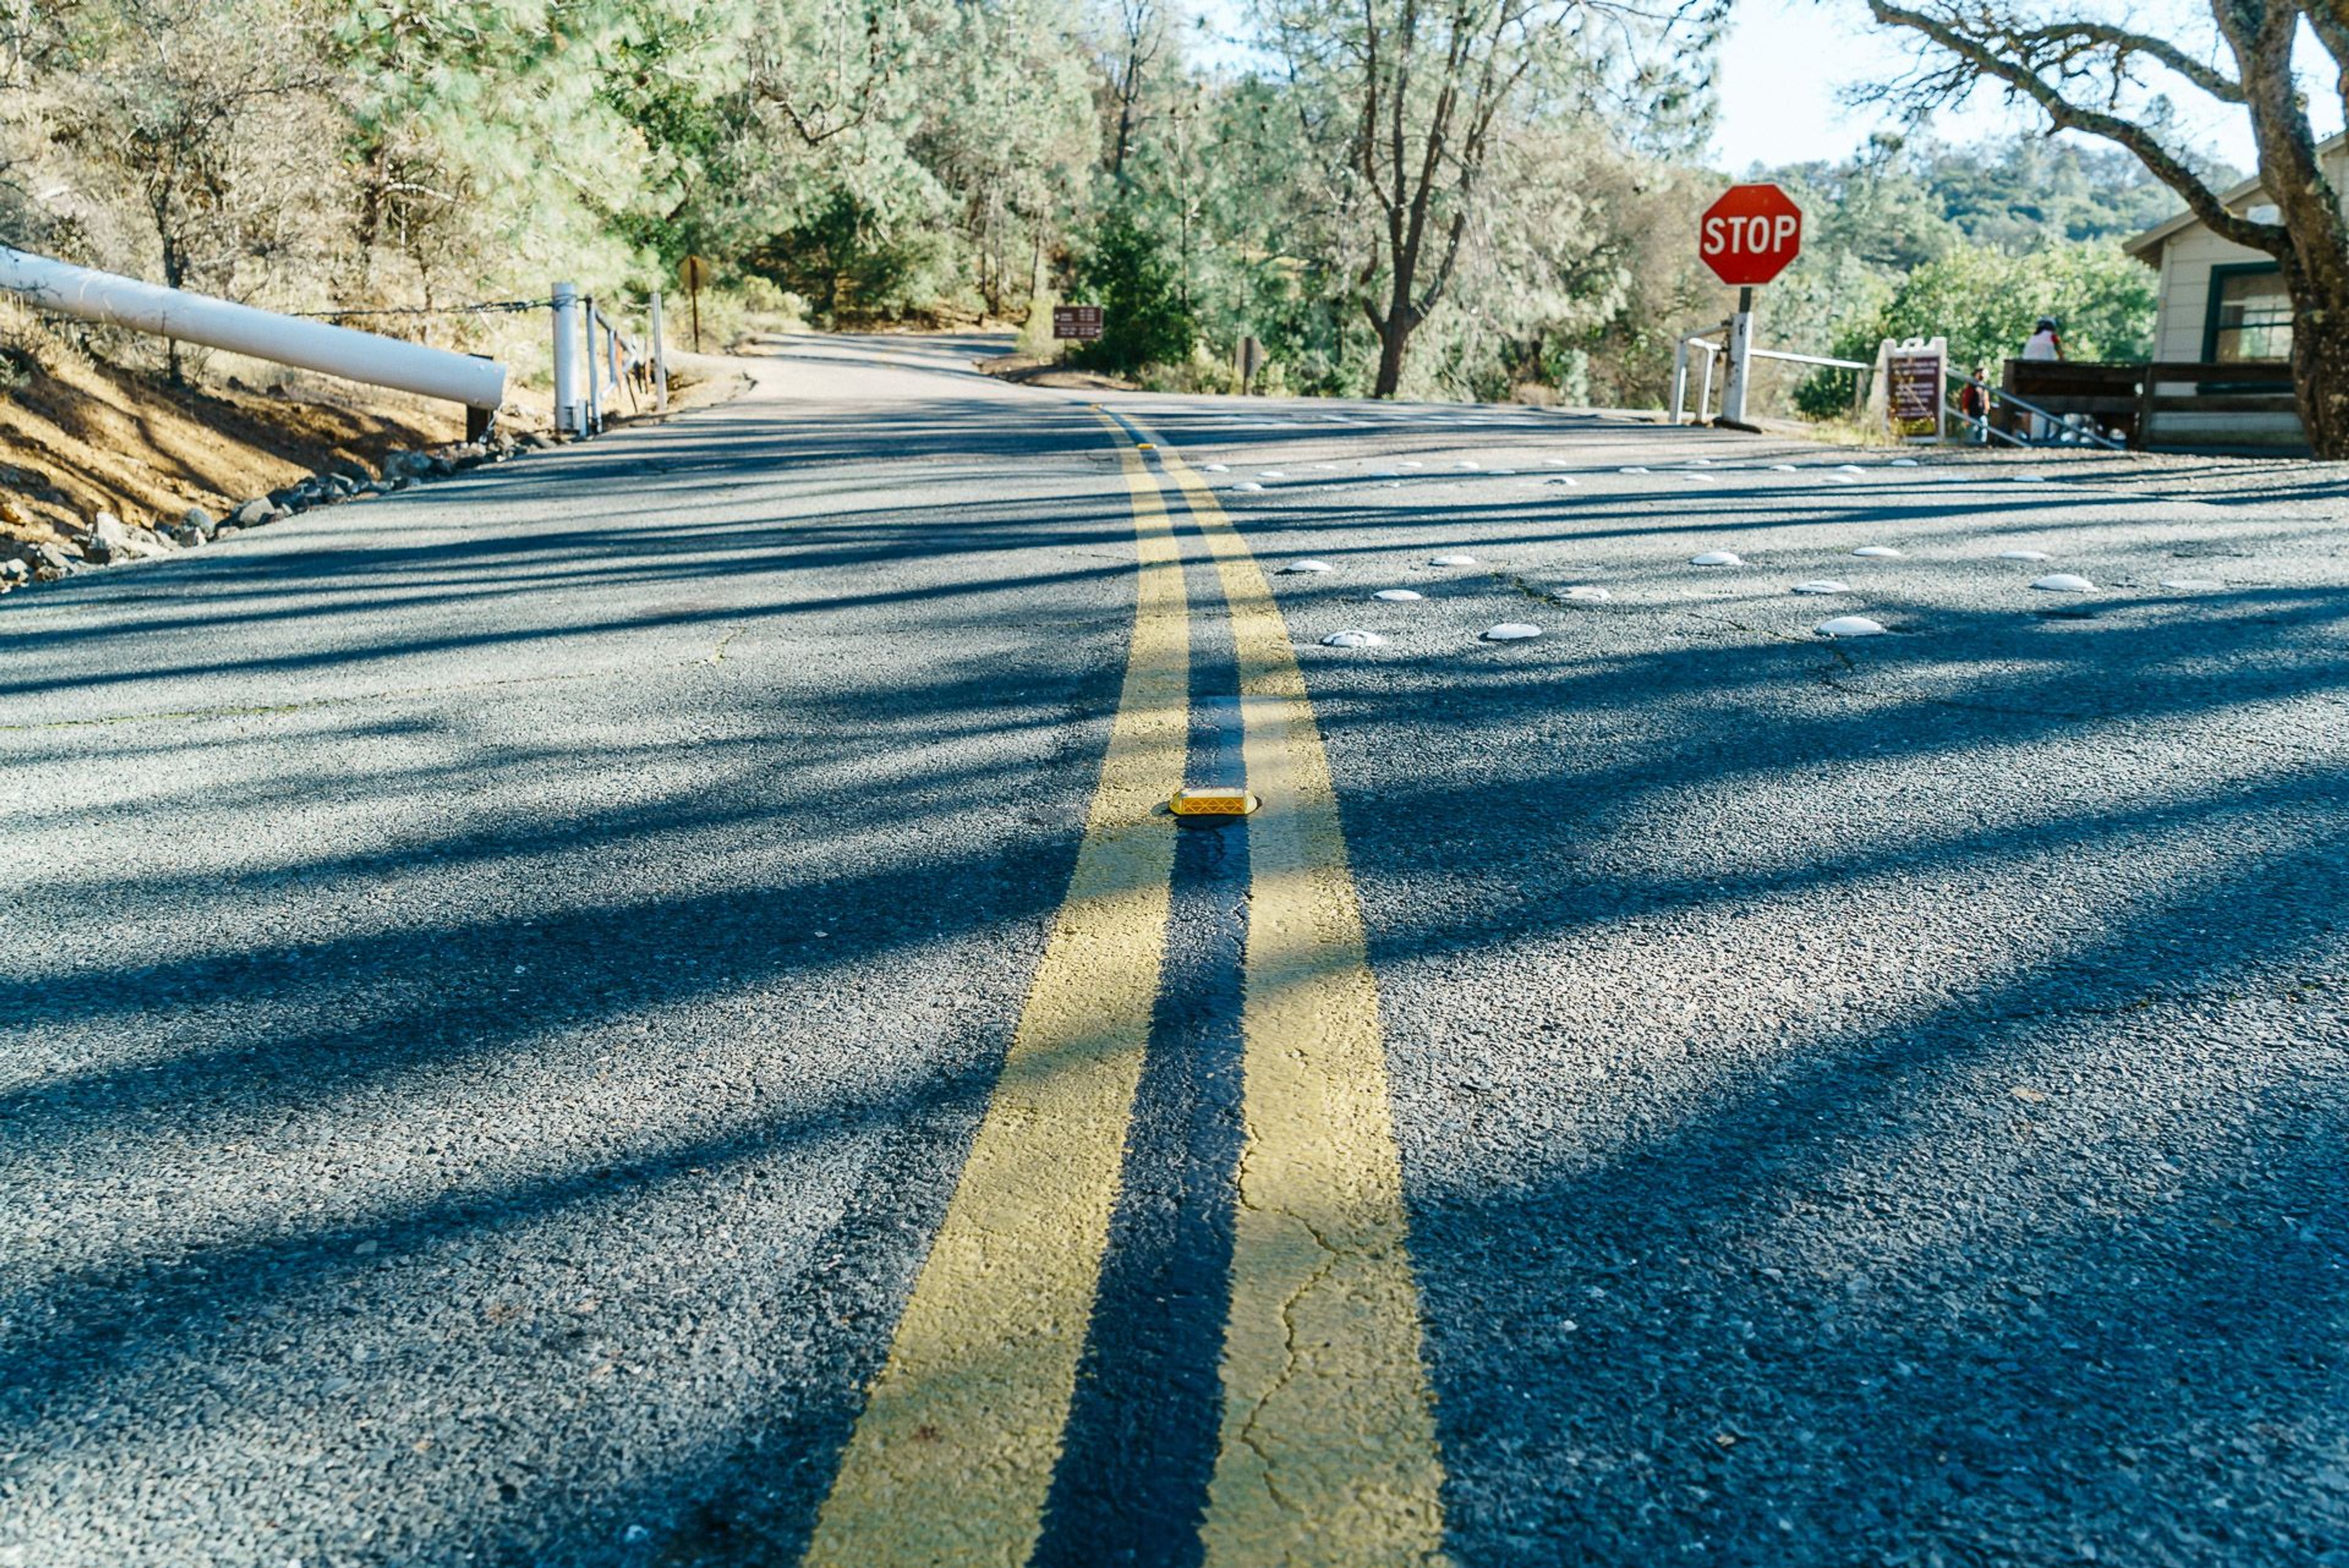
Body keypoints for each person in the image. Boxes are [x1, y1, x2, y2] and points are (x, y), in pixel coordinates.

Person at [2021, 317, 2063, 437]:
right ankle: (2050, 434)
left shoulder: (2032, 338)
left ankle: (2028, 434)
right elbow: (2062, 358)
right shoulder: (2053, 337)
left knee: (2027, 407)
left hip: (2026, 376)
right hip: (2046, 375)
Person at [1958, 364, 1991, 442]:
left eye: (1984, 374)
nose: (1982, 376)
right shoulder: (1971, 387)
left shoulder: (1983, 387)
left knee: (1982, 438)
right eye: (1981, 374)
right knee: (1972, 438)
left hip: (1982, 416)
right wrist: (1966, 417)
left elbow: (1986, 401)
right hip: (1972, 416)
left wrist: (1987, 410)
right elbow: (1965, 403)